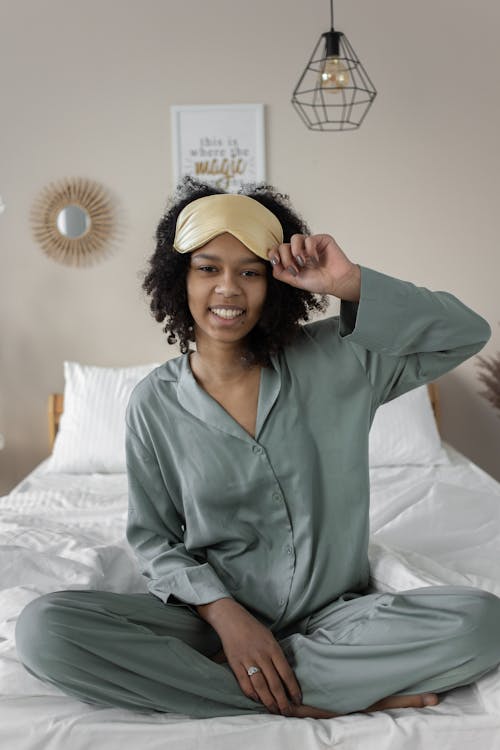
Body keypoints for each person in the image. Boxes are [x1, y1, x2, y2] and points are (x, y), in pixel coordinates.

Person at [15, 176, 500, 721]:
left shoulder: (341, 359)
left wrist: (350, 282)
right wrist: (227, 617)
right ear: (179, 281)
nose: (229, 288)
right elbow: (153, 540)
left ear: (275, 285)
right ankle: (325, 691)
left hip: (335, 616)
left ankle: (260, 691)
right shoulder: (153, 403)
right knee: (44, 630)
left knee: (483, 622)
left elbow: (466, 333)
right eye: (208, 268)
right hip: (210, 624)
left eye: (250, 271)